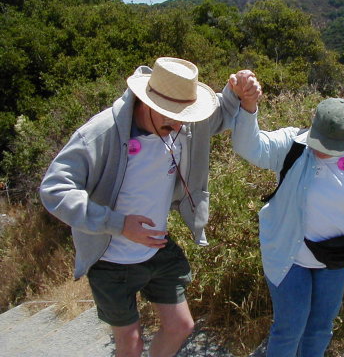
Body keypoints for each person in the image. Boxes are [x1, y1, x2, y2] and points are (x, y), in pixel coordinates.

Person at [39, 57, 261, 357]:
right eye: (172, 116)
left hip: (157, 249)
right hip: (110, 259)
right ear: (146, 102)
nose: (180, 124)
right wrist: (118, 224)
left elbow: (220, 113)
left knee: (180, 326)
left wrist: (239, 89)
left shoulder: (182, 125)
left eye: (186, 115)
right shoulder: (102, 133)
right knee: (130, 345)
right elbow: (54, 190)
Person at [230, 94, 344, 357]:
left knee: (320, 329)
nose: (322, 149)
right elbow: (249, 147)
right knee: (289, 329)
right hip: (289, 255)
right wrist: (249, 108)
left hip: (335, 258)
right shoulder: (293, 145)